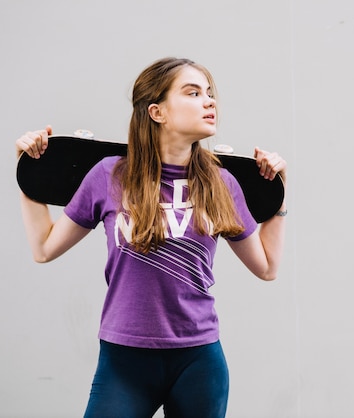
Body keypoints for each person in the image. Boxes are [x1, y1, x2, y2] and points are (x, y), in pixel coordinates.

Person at [15, 57, 287, 418]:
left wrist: (282, 194)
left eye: (209, 93)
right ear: (157, 111)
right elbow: (44, 248)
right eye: (193, 93)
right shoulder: (108, 176)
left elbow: (267, 267)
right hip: (124, 360)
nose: (210, 101)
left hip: (199, 361)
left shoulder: (223, 184)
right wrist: (27, 172)